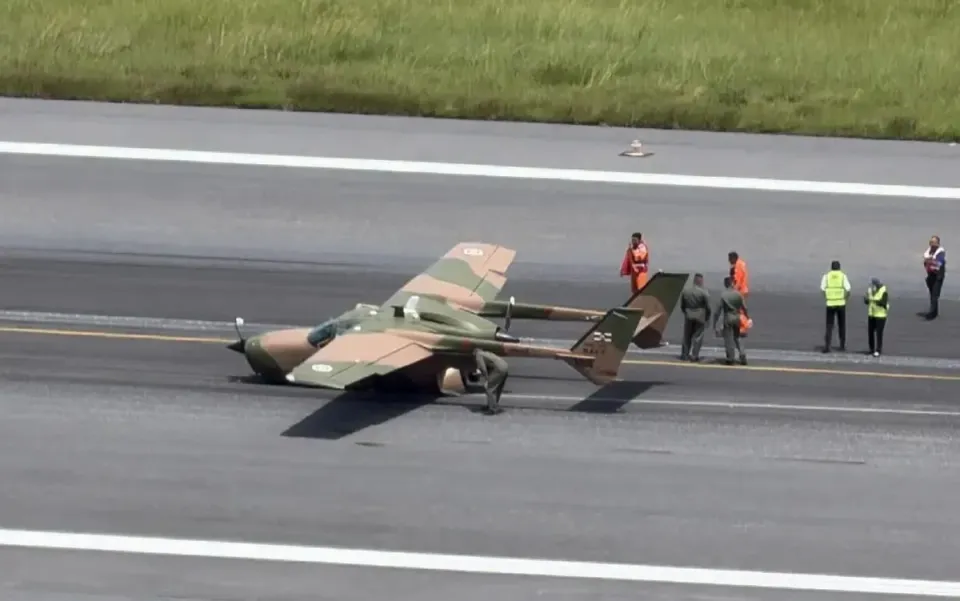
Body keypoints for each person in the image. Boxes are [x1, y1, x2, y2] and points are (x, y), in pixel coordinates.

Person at [713, 276, 748, 365]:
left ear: (725, 284)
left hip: (728, 317)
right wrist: (747, 317)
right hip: (737, 316)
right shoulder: (738, 294)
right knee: (737, 337)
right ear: (733, 283)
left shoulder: (724, 295)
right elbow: (744, 308)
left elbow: (718, 310)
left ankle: (730, 357)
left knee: (728, 339)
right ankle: (742, 354)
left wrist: (715, 322)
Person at [820, 260, 851, 352]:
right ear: (839, 267)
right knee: (842, 325)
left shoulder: (826, 276)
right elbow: (848, 289)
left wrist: (827, 298)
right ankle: (842, 345)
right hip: (841, 303)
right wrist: (845, 298)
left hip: (830, 303)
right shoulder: (842, 276)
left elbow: (822, 289)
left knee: (829, 326)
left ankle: (827, 346)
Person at [679, 273, 711, 362]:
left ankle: (685, 354)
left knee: (687, 336)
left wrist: (686, 312)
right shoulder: (704, 292)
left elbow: (682, 305)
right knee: (698, 336)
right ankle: (694, 355)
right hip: (700, 316)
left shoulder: (686, 291)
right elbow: (708, 307)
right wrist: (707, 317)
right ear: (700, 281)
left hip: (689, 315)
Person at [473, 348, 508, 414]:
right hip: (505, 366)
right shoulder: (486, 353)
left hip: (499, 369)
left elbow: (483, 368)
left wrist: (486, 379)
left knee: (489, 388)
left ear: (474, 353)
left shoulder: (478, 355)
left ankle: (492, 409)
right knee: (497, 388)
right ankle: (493, 405)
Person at [728, 251, 752, 336]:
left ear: (733, 258)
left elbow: (737, 280)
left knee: (739, 310)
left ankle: (744, 326)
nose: (729, 261)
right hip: (744, 289)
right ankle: (741, 326)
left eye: (730, 259)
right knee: (741, 308)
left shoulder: (737, 267)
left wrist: (733, 290)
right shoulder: (742, 264)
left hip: (740, 290)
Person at [864, 277, 889, 357]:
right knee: (870, 333)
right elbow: (867, 301)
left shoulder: (883, 292)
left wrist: (872, 300)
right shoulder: (871, 291)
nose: (873, 286)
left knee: (879, 333)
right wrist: (866, 299)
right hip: (872, 314)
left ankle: (878, 349)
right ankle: (871, 349)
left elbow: (883, 303)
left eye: (874, 285)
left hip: (880, 315)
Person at [922, 235, 946, 320]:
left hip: (938, 276)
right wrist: (928, 261)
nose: (931, 244)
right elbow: (925, 262)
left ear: (937, 243)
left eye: (933, 242)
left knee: (935, 295)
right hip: (931, 275)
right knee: (932, 294)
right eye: (930, 242)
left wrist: (930, 261)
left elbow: (938, 264)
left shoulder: (940, 253)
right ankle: (935, 311)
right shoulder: (929, 252)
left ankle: (931, 314)